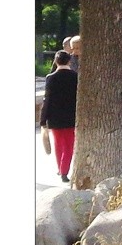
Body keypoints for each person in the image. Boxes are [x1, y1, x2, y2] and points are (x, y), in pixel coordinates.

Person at [40, 50, 78, 182]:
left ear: (56, 62)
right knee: (69, 145)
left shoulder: (50, 78)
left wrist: (43, 119)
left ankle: (59, 168)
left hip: (54, 116)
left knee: (58, 144)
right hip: (70, 116)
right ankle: (64, 171)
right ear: (69, 61)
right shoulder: (75, 76)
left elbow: (47, 99)